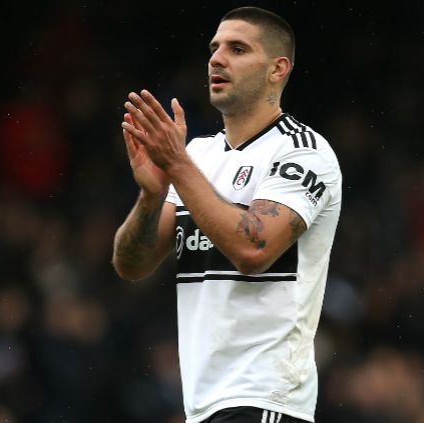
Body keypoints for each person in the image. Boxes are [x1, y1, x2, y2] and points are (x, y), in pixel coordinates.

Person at [112, 6, 341, 423]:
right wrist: (151, 195)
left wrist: (178, 167)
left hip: (265, 399)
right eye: (214, 48)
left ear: (278, 69)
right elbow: (131, 264)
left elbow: (252, 250)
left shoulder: (303, 152)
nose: (217, 59)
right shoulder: (198, 155)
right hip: (203, 405)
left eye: (237, 49)